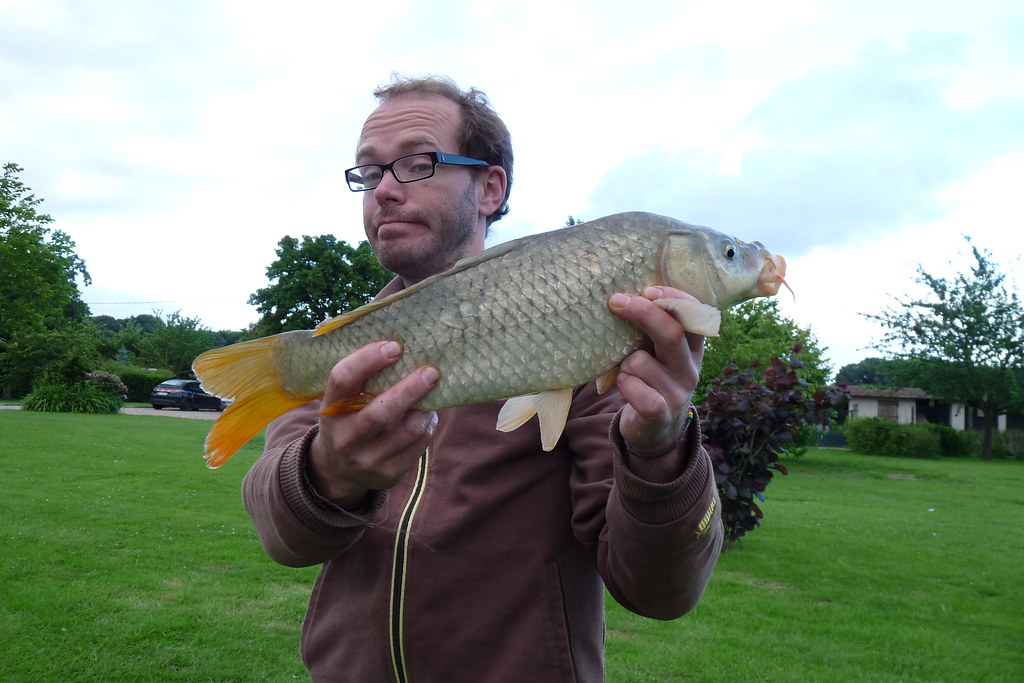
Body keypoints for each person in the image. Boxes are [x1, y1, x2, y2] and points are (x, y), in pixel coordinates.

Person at [242, 74, 723, 682]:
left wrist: (661, 448)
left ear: (490, 187)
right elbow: (283, 540)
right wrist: (327, 474)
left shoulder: (589, 349)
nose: (384, 190)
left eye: (416, 163)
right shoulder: (340, 356)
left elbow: (660, 593)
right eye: (369, 172)